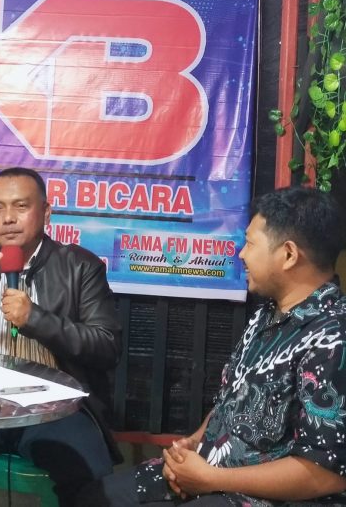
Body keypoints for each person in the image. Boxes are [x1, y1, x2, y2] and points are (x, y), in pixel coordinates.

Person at [77, 186, 346, 506]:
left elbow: (325, 472)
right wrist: (192, 445)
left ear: (288, 255)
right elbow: (232, 398)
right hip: (212, 472)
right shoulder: (267, 314)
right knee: (94, 498)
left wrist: (210, 479)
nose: (241, 254)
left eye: (250, 243)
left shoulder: (334, 339)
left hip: (264, 497)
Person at [0, 167, 122, 505]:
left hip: (52, 411)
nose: (8, 218)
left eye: (21, 206)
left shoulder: (80, 266)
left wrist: (36, 319)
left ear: (46, 212)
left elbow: (107, 347)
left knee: (88, 474)